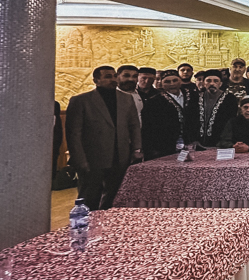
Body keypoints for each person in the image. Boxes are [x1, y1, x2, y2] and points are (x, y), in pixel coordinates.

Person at [65, 66, 142, 210]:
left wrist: (137, 149)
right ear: (96, 80)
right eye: (107, 76)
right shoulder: (81, 100)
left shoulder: (126, 99)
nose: (113, 79)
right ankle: (88, 222)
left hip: (120, 156)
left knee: (115, 197)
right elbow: (74, 133)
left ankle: (109, 222)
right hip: (93, 157)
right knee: (90, 197)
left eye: (114, 76)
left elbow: (134, 126)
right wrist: (79, 159)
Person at [142, 70, 199, 160]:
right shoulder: (154, 101)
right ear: (161, 84)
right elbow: (149, 127)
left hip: (192, 143)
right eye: (167, 82)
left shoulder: (194, 96)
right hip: (166, 145)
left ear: (180, 81)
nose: (172, 84)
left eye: (175, 80)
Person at [197, 70, 238, 148]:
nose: (212, 83)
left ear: (220, 84)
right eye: (208, 81)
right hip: (198, 143)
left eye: (216, 81)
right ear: (204, 83)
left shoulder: (229, 99)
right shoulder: (195, 98)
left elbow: (231, 121)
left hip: (220, 143)